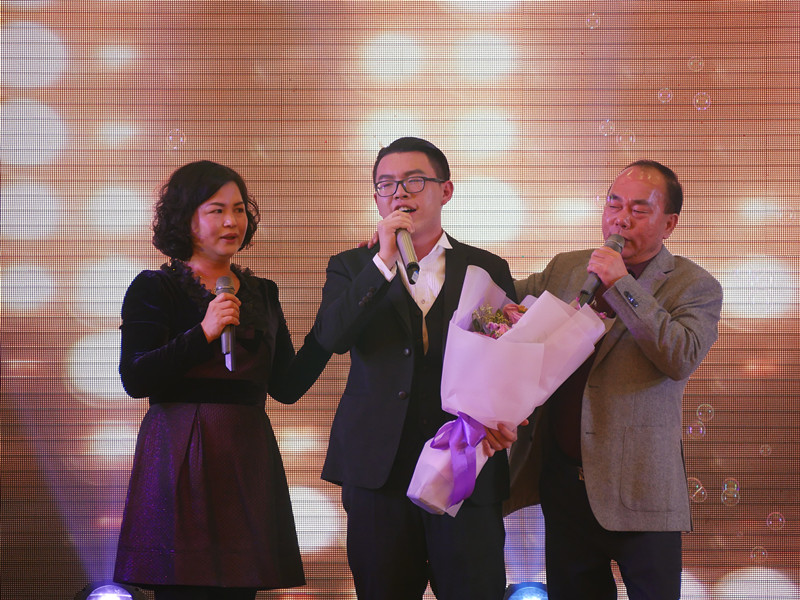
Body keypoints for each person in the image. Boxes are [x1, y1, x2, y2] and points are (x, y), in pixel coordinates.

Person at [505, 160, 723, 600]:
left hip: (642, 490)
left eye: (639, 210)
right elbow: (500, 292)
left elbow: (679, 355)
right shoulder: (567, 268)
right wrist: (407, 255)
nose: (620, 219)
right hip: (565, 484)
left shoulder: (694, 285)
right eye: (613, 204)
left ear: (669, 223)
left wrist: (622, 284)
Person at [312, 137, 518, 600]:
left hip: (465, 465)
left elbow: (507, 360)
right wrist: (383, 262)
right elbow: (332, 338)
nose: (399, 192)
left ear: (445, 191)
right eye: (386, 184)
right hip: (377, 472)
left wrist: (508, 418)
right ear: (377, 199)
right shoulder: (351, 266)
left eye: (414, 181)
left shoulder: (486, 267)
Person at [113, 160, 330, 600]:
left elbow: (286, 387)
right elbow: (136, 377)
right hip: (177, 452)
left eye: (239, 209)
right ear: (186, 219)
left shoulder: (262, 292)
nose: (232, 221)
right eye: (217, 210)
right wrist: (203, 333)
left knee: (240, 586)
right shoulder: (155, 288)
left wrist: (331, 330)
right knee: (183, 585)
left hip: (246, 456)